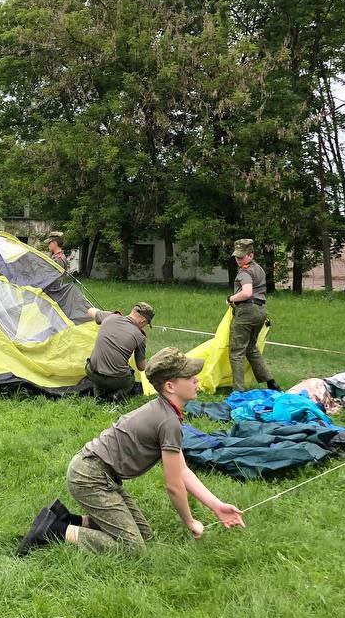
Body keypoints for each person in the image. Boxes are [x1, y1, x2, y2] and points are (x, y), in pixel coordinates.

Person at [17, 347, 245, 555]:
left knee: (143, 535)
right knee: (132, 549)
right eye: (189, 376)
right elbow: (174, 485)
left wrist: (217, 506)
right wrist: (190, 521)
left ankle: (67, 519)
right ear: (170, 386)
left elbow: (182, 471)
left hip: (99, 473)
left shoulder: (167, 413)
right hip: (89, 476)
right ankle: (54, 530)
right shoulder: (168, 421)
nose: (196, 379)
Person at [227, 238, 279, 392]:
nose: (238, 260)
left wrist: (230, 298)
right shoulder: (259, 269)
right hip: (261, 311)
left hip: (246, 311)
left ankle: (238, 391)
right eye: (236, 256)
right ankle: (271, 382)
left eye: (241, 256)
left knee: (236, 351)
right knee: (250, 347)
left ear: (251, 255)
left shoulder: (245, 272)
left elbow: (247, 292)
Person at [82, 301, 154, 400]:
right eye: (146, 324)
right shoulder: (140, 336)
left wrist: (104, 314)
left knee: (99, 367)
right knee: (130, 378)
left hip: (92, 373)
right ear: (143, 321)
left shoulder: (110, 317)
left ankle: (99, 394)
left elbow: (90, 310)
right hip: (116, 380)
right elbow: (141, 367)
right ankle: (117, 396)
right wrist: (151, 363)